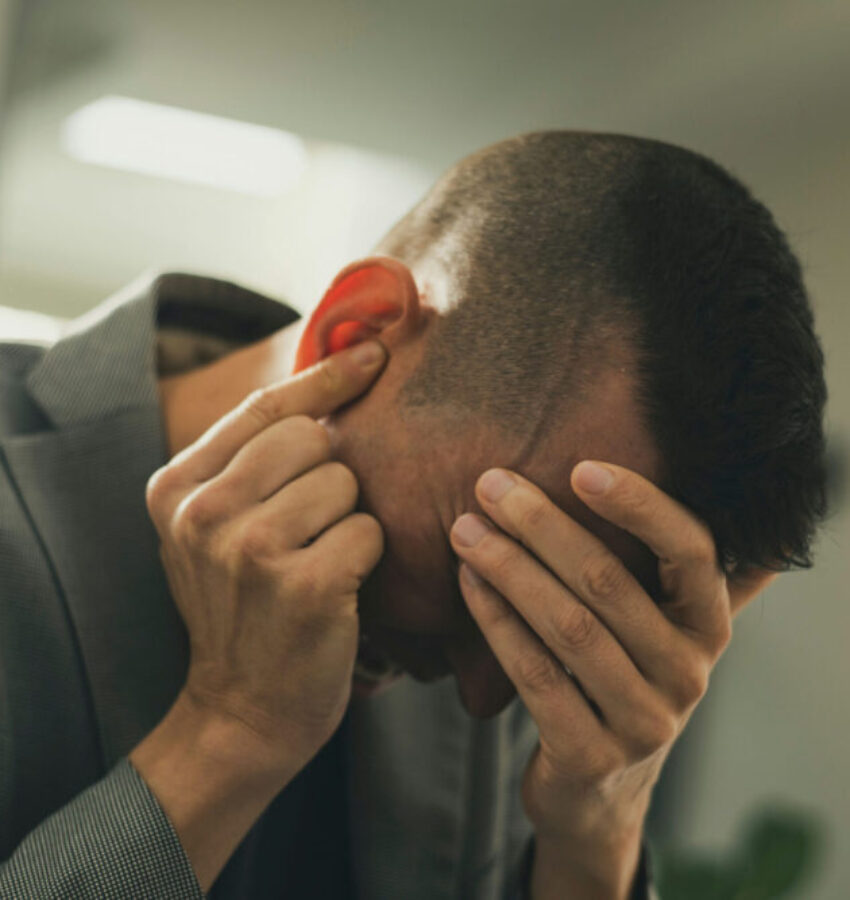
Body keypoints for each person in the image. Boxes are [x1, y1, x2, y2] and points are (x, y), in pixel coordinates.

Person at [0, 131, 827, 899]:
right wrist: (229, 733)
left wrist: (594, 840)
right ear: (352, 331)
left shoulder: (538, 687)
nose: (485, 697)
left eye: (550, 612)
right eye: (487, 560)